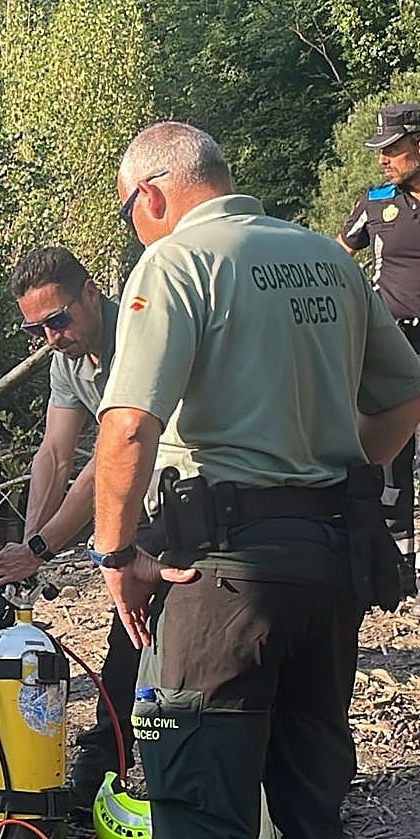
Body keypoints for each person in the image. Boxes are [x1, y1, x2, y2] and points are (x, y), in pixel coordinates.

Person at [92, 121, 420, 838]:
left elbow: (125, 425)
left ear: (149, 196)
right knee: (309, 807)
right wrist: (345, 469)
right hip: (329, 566)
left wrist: (115, 555)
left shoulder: (177, 262)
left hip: (224, 577)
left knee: (202, 805)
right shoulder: (324, 258)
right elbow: (403, 395)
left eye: (126, 214)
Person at [0, 245, 145, 809]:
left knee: (136, 641)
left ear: (90, 295)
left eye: (58, 320)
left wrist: (42, 547)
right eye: (36, 329)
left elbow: (107, 464)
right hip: (134, 501)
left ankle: (104, 766)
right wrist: (25, 546)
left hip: (181, 492)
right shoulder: (67, 359)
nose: (51, 336)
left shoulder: (139, 336)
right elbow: (53, 455)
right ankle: (103, 767)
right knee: (134, 636)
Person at [337, 103, 420, 576]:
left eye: (392, 149)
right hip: (393, 343)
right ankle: (396, 561)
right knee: (391, 455)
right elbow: (339, 256)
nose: (383, 159)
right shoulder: (376, 203)